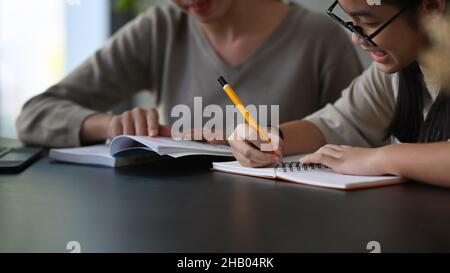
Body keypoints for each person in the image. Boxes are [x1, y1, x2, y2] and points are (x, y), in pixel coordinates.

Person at [16, 0, 362, 147]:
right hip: (180, 219)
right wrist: (110, 126)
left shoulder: (320, 40)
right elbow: (35, 115)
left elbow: (359, 138)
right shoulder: (161, 28)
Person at [228, 0, 450, 188]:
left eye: (370, 22)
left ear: (430, 7)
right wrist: (269, 138)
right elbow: (338, 123)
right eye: (352, 21)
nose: (356, 38)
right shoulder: (396, 72)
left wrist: (378, 158)